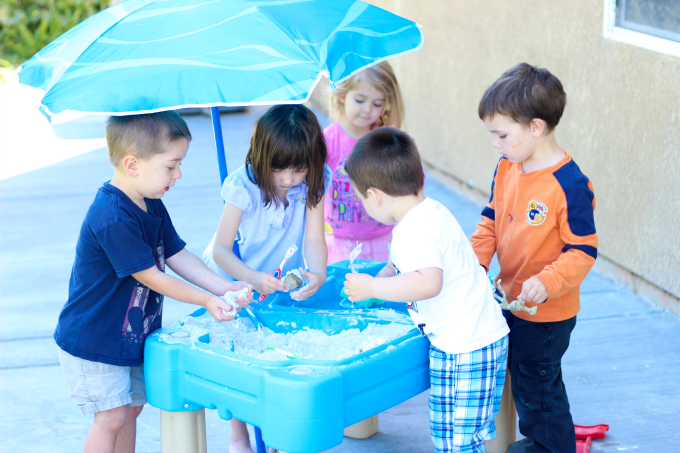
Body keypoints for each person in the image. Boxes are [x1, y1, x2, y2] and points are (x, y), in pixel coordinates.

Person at [54, 112, 253, 453]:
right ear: (133, 164)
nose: (179, 174)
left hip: (127, 336)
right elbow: (152, 277)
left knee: (130, 410)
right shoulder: (111, 216)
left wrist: (222, 287)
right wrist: (205, 301)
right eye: (171, 165)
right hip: (94, 338)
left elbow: (177, 254)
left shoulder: (152, 204)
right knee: (111, 416)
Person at [342, 127, 510, 453]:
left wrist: (374, 286)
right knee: (460, 435)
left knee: (456, 443)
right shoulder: (429, 212)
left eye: (361, 198)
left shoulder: (413, 231)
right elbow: (406, 264)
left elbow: (429, 281)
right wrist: (386, 273)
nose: (364, 205)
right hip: (475, 339)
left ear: (375, 195)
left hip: (465, 349)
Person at [470, 63, 598, 453]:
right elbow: (490, 220)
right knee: (522, 378)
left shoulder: (571, 185)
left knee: (539, 388)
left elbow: (583, 250)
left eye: (502, 134)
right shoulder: (508, 165)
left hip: (547, 315)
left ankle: (550, 447)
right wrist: (474, 264)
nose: (496, 143)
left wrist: (548, 282)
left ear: (536, 127)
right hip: (509, 299)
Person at [202, 104, 330, 453]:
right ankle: (238, 433)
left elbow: (315, 239)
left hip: (274, 277)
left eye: (298, 169)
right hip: (234, 277)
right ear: (261, 157)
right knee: (239, 353)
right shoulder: (243, 187)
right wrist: (249, 278)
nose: (288, 180)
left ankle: (273, 432)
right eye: (278, 170)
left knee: (272, 351)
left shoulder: (316, 181)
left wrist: (317, 273)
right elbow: (222, 250)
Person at [323, 61, 405, 263]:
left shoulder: (387, 138)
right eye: (360, 100)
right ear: (342, 96)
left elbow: (413, 180)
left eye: (377, 103)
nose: (368, 109)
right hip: (339, 241)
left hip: (382, 237)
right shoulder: (327, 141)